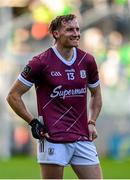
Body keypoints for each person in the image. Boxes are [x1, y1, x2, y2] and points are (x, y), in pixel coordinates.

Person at [6, 14, 103, 179]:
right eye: (70, 29)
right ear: (56, 33)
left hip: (82, 137)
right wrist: (33, 122)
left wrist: (92, 122)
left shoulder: (87, 61)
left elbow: (96, 95)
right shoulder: (40, 62)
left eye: (77, 29)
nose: (76, 33)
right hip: (53, 139)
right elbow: (13, 96)